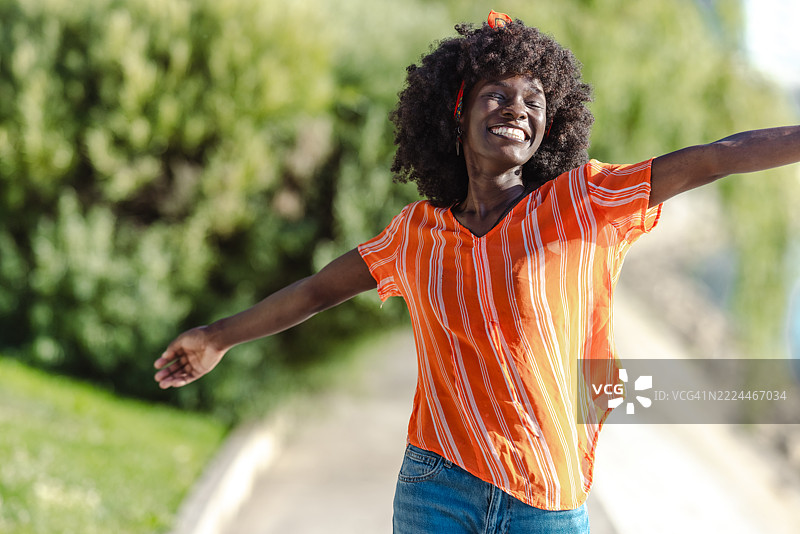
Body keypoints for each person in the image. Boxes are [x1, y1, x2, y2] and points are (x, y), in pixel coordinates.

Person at [154, 11, 800, 533]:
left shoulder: (586, 203)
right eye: (496, 94)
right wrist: (217, 338)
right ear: (455, 115)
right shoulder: (416, 235)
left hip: (546, 497)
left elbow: (719, 156)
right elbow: (320, 290)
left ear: (552, 123)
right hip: (436, 488)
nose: (516, 108)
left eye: (534, 99)